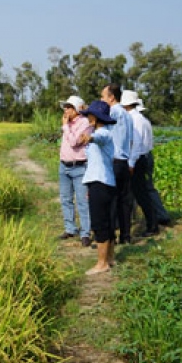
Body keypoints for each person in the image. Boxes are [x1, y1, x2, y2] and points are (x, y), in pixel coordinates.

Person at [122, 92, 170, 236]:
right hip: (142, 157)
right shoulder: (141, 119)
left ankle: (152, 224)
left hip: (137, 159)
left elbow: (136, 144)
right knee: (141, 192)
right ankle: (149, 222)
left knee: (140, 194)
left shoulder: (134, 120)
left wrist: (131, 163)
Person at [77, 100, 117, 275]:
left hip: (100, 183)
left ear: (95, 118)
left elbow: (99, 138)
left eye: (89, 116)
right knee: (107, 221)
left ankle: (101, 264)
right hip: (101, 182)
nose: (87, 119)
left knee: (100, 222)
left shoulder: (103, 134)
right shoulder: (101, 132)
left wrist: (90, 137)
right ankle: (110, 258)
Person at [57, 95, 93, 247]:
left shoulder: (84, 123)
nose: (65, 110)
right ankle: (70, 228)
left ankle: (85, 232)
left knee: (82, 201)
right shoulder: (68, 123)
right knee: (65, 199)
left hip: (79, 166)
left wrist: (65, 126)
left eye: (69, 107)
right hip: (64, 165)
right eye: (65, 106)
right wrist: (66, 125)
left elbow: (74, 142)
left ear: (77, 109)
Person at [101, 83, 134, 244]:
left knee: (111, 200)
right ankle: (126, 235)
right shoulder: (128, 114)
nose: (102, 100)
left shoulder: (112, 112)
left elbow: (104, 134)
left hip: (113, 160)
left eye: (103, 96)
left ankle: (111, 237)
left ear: (111, 97)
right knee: (124, 201)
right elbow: (132, 140)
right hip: (124, 161)